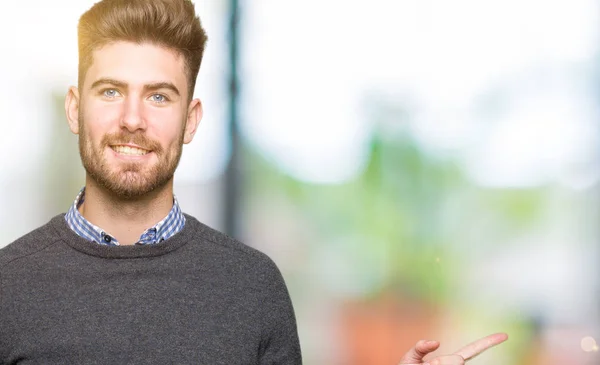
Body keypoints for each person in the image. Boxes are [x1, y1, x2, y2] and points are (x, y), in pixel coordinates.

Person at [0, 0, 506, 364]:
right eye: (111, 91)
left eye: (159, 97)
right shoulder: (8, 285)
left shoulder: (253, 286)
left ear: (192, 119)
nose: (132, 118)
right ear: (74, 107)